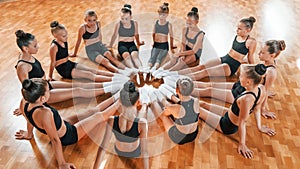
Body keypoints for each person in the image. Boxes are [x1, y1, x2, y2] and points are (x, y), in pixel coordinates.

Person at [15, 78, 121, 169]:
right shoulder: (45, 114)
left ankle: (117, 96)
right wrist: (62, 163)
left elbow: (29, 120)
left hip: (63, 124)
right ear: (42, 98)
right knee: (98, 116)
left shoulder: (24, 102)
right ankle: (122, 100)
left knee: (90, 112)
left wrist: (29, 134)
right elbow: (55, 140)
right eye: (48, 91)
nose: (50, 92)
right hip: (68, 135)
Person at [14, 30, 115, 105]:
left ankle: (112, 83)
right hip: (43, 95)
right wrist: (23, 106)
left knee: (77, 86)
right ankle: (113, 87)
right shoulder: (22, 66)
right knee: (78, 91)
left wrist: (48, 77)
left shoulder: (28, 56)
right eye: (35, 46)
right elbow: (26, 89)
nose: (38, 47)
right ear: (26, 49)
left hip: (46, 84)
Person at [191, 40, 286, 119]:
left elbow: (264, 91)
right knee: (211, 85)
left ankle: (183, 90)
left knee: (209, 91)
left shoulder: (271, 72)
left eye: (262, 52)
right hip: (240, 85)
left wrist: (263, 109)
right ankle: (185, 83)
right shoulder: (266, 63)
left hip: (240, 94)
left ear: (272, 55)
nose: (259, 54)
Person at [198, 64, 276, 159]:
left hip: (226, 125)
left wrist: (242, 143)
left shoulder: (247, 99)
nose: (239, 78)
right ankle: (180, 94)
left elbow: (242, 122)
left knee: (198, 110)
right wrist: (259, 127)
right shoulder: (261, 88)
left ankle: (178, 100)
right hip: (228, 113)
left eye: (241, 76)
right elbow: (257, 108)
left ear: (248, 82)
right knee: (202, 104)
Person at [178, 16, 257, 80]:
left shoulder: (251, 42)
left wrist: (255, 73)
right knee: (201, 67)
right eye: (237, 27)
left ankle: (178, 79)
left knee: (205, 72)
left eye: (240, 29)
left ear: (248, 30)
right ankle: (175, 74)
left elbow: (250, 59)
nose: (237, 30)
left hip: (231, 66)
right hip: (225, 58)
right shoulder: (238, 35)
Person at [93, 81, 149, 169]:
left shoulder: (111, 120)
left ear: (120, 100)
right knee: (141, 119)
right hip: (135, 152)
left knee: (137, 120)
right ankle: (145, 104)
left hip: (119, 151)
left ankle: (145, 104)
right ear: (138, 102)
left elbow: (102, 148)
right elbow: (145, 151)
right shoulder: (142, 124)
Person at [49, 21, 114, 81]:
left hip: (69, 63)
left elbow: (62, 53)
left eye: (67, 34)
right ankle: (114, 80)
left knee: (91, 70)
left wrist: (70, 54)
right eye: (64, 36)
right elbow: (53, 63)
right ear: (55, 36)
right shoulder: (54, 47)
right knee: (89, 75)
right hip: (64, 69)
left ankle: (116, 75)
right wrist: (50, 76)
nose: (66, 37)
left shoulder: (64, 41)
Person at [151, 76, 200, 145]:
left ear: (176, 90)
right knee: (182, 109)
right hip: (193, 135)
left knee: (163, 117)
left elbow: (164, 114)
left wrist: (165, 103)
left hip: (180, 138)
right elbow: (185, 105)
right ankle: (166, 95)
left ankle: (154, 100)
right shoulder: (196, 101)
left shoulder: (175, 108)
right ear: (192, 89)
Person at [108, 4, 145, 68]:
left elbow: (136, 34)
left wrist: (138, 43)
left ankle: (141, 70)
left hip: (132, 44)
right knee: (127, 57)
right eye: (122, 18)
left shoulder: (135, 23)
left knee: (135, 56)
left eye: (126, 19)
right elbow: (114, 35)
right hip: (122, 45)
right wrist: (110, 45)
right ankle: (133, 70)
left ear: (131, 17)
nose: (124, 21)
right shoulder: (118, 24)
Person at [147, 2, 176, 70]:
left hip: (164, 46)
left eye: (163, 15)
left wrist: (171, 46)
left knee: (159, 58)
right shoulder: (156, 23)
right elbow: (153, 34)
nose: (161, 16)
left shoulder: (168, 24)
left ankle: (154, 68)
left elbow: (171, 36)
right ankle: (148, 68)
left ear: (167, 15)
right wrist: (153, 42)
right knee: (152, 57)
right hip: (156, 44)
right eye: (160, 14)